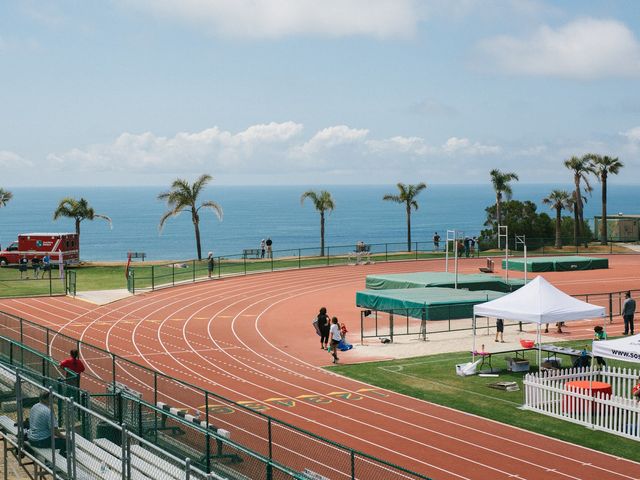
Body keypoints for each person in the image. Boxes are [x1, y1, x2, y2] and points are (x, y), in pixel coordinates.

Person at [27, 391, 66, 456]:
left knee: (57, 438)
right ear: (46, 399)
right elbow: (55, 431)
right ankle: (60, 463)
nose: (53, 400)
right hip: (40, 441)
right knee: (67, 443)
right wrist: (64, 437)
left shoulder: (35, 406)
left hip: (31, 438)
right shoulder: (48, 412)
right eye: (52, 398)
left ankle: (50, 461)